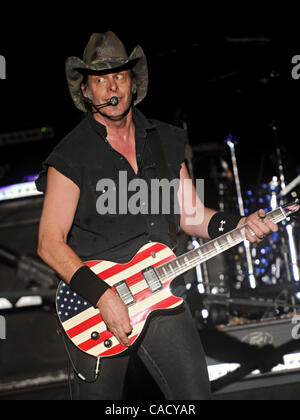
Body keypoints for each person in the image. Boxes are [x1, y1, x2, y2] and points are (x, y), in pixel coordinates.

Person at [35, 31, 278, 400]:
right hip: (96, 307)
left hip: (161, 289)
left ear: (134, 83)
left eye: (118, 75)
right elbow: (49, 243)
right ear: (85, 92)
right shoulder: (71, 156)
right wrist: (104, 297)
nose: (110, 87)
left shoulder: (164, 140)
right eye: (98, 79)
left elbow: (190, 214)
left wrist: (238, 224)